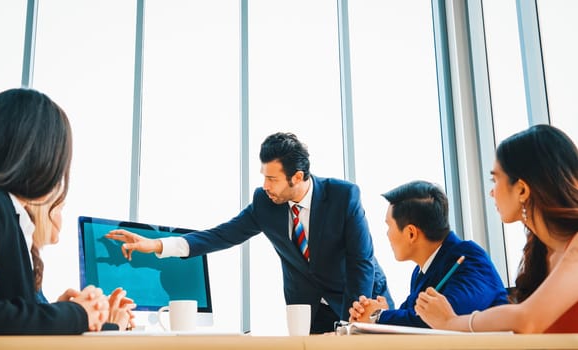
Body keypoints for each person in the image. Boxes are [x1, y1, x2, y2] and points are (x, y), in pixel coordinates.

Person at [106, 132, 393, 333]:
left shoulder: (343, 196)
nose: (265, 185)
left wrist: (350, 327)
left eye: (272, 178)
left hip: (360, 300)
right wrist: (156, 245)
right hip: (308, 311)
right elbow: (220, 235)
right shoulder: (265, 203)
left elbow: (361, 263)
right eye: (263, 176)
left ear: (297, 177)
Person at [0, 88, 106, 350]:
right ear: (41, 154)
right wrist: (76, 315)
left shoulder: (2, 209)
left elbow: (3, 311)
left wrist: (66, 312)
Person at [415, 124, 578, 333]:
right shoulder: (541, 253)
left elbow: (528, 319)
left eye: (495, 179)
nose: (491, 192)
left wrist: (451, 322)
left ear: (521, 189)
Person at [348, 180, 508, 327]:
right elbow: (411, 317)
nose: (387, 234)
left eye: (389, 226)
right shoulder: (420, 271)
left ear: (411, 233)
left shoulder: (469, 258)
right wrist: (380, 312)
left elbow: (440, 320)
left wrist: (379, 316)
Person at [27, 199, 136, 329]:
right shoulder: (24, 259)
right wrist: (114, 326)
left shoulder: (31, 259)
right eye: (59, 209)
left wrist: (91, 315)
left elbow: (33, 323)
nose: (60, 219)